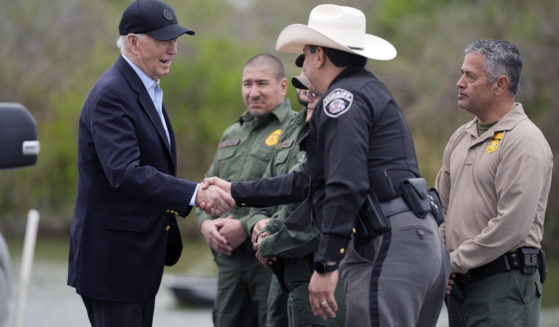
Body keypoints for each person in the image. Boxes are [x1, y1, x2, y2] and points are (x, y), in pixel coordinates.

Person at [202, 4, 450, 327]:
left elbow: (345, 184)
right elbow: (306, 181)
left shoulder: (340, 101)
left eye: (304, 54)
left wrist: (327, 264)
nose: (302, 65)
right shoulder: (365, 90)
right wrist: (236, 191)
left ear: (319, 55)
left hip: (389, 244)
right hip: (415, 240)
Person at [67, 1, 235, 326]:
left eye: (176, 40)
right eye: (163, 40)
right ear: (132, 41)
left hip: (136, 264)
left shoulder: (145, 89)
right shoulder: (112, 94)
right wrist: (195, 193)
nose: (173, 49)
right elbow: (125, 173)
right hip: (113, 267)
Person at [435, 39, 553, 327]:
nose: (459, 83)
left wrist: (450, 262)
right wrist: (439, 257)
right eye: (461, 73)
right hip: (459, 288)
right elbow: (439, 209)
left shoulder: (524, 141)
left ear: (500, 85)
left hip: (504, 288)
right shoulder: (460, 137)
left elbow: (510, 227)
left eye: (470, 76)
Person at [196, 53, 297, 327]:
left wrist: (243, 227)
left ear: (283, 86)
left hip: (269, 261)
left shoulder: (297, 131)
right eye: (247, 84)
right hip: (229, 263)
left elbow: (297, 194)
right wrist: (205, 225)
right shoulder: (232, 134)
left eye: (262, 83)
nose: (253, 92)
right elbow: (206, 186)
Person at [250, 72, 347, 327]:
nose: (308, 92)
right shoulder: (292, 129)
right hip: (285, 271)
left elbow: (316, 214)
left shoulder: (338, 136)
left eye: (315, 90)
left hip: (323, 272)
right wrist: (260, 228)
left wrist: (269, 243)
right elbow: (275, 192)